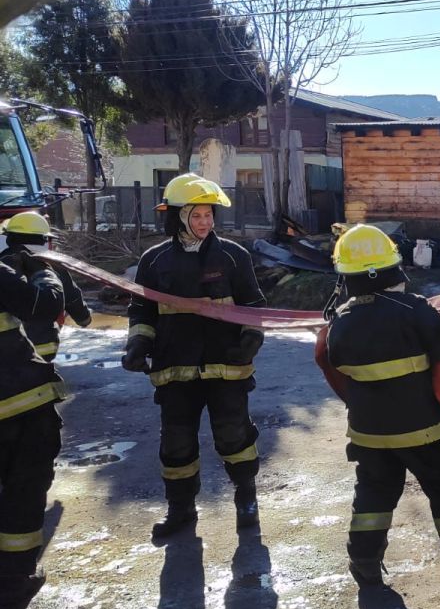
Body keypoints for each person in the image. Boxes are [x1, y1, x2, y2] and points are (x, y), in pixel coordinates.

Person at [321, 224, 440, 593]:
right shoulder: (412, 308)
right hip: (426, 432)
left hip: (369, 436)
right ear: (392, 269)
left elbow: (336, 361)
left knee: (373, 497)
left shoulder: (340, 322)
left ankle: (364, 561)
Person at [122, 173, 267, 539]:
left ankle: (246, 499)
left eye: (209, 215)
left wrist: (251, 339)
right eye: (197, 215)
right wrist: (137, 344)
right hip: (174, 370)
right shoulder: (153, 261)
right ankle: (181, 510)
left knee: (234, 437)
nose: (205, 223)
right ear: (178, 217)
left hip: (226, 368)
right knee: (176, 443)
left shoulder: (234, 256)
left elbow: (254, 306)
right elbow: (142, 311)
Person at [0, 245, 65, 609]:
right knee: (22, 497)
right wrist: (43, 272)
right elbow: (43, 304)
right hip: (19, 412)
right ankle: (12, 586)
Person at [0, 211, 92, 360]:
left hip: (8, 351)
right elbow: (71, 296)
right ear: (43, 239)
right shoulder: (51, 264)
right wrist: (84, 319)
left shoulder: (3, 262)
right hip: (44, 348)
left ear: (10, 237)